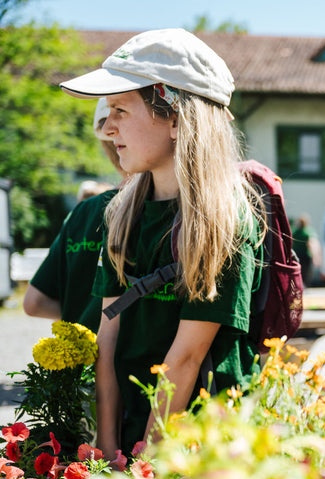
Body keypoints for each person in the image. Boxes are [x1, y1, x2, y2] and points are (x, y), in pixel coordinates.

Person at [60, 28, 264, 456]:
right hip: (130, 433)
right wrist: (108, 449)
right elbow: (107, 340)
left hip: (199, 446)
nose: (107, 127)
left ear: (175, 119)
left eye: (120, 109)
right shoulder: (121, 213)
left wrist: (148, 463)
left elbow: (187, 359)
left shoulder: (223, 220)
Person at [23, 98, 125, 332]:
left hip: (78, 358)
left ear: (103, 143)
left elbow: (33, 303)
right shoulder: (160, 208)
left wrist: (82, 318)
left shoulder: (83, 212)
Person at [291, 212, 320, 286]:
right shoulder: (308, 231)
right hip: (305, 255)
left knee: (299, 271)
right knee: (306, 272)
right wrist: (316, 257)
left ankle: (299, 284)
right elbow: (312, 244)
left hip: (297, 255)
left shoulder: (295, 231)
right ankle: (304, 285)